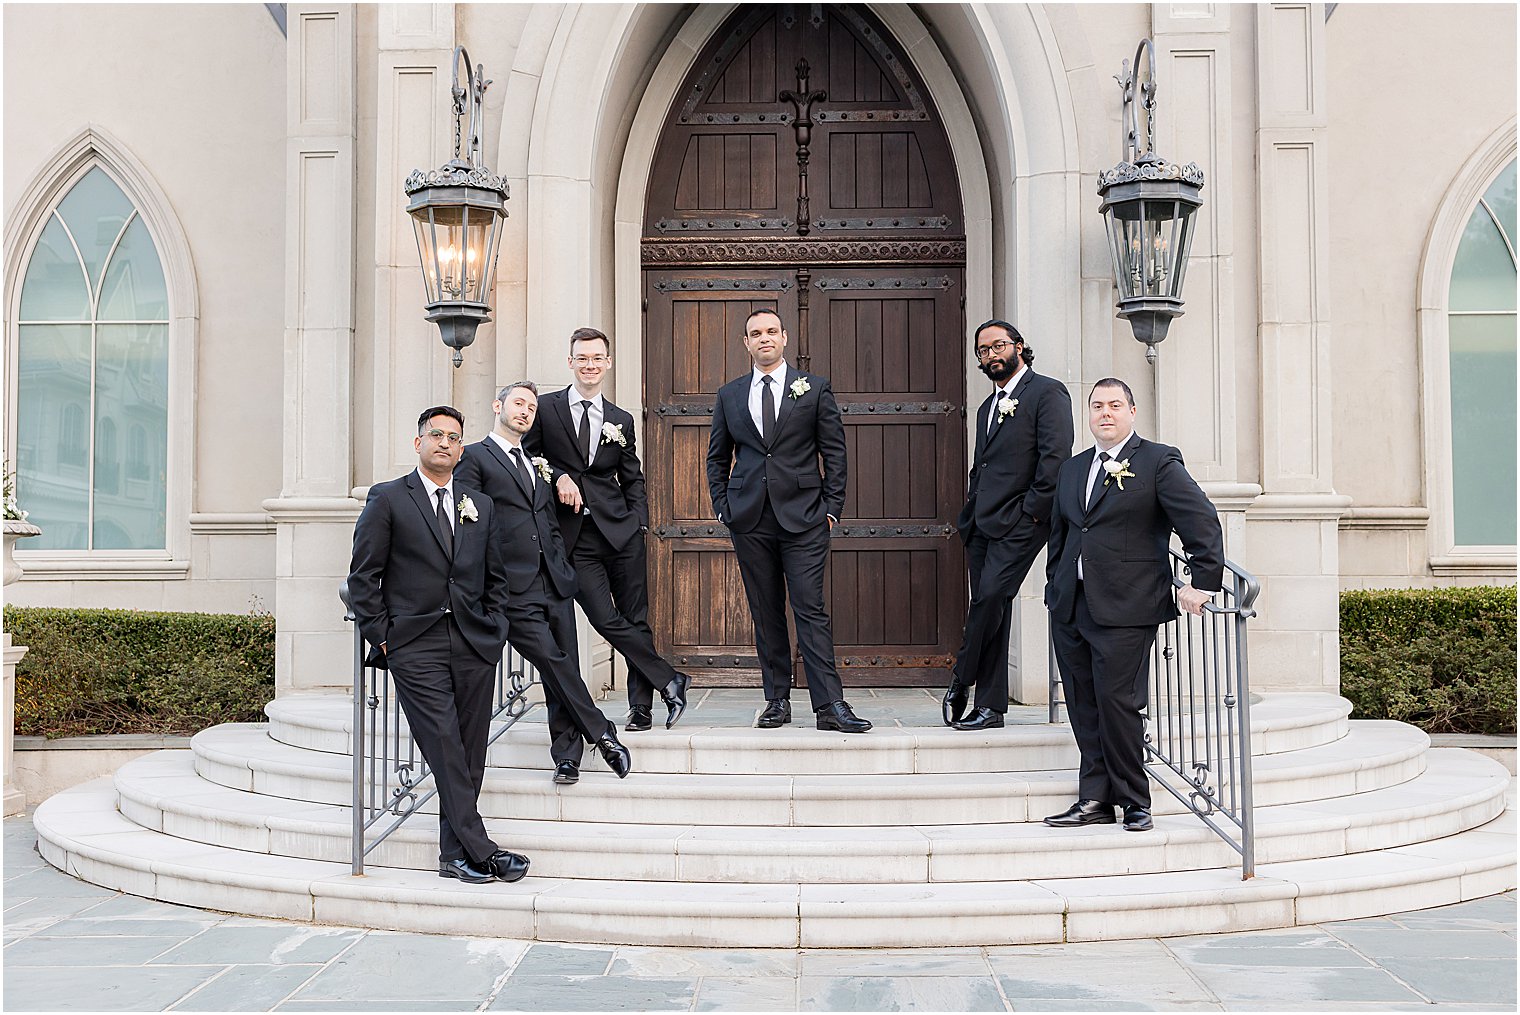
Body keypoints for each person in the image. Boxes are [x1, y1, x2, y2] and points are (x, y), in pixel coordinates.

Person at [347, 405, 530, 884]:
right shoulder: (387, 499)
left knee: (470, 750)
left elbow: (496, 577)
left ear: (462, 447)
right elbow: (363, 577)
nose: (445, 443)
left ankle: (454, 857)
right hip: (413, 643)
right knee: (444, 743)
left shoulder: (479, 505)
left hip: (473, 641)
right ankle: (483, 849)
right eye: (436, 435)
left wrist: (494, 628)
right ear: (418, 443)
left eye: (453, 437)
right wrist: (384, 638)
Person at [1043, 378, 1224, 832]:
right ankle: (1094, 799)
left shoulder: (1158, 461)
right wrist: (1055, 586)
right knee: (1083, 703)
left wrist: (1203, 582)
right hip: (1072, 604)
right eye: (1098, 405)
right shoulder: (1073, 468)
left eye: (1115, 405)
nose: (1106, 412)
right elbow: (1062, 535)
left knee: (1118, 702)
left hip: (1127, 606)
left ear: (1132, 411)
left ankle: (1133, 799)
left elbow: (1200, 520)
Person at [454, 382, 633, 787]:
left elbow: (547, 519)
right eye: (518, 403)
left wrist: (560, 561)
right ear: (497, 405)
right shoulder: (475, 458)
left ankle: (567, 756)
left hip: (554, 580)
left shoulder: (535, 461)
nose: (525, 412)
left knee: (563, 664)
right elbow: (471, 526)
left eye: (531, 408)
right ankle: (602, 733)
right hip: (512, 587)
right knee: (551, 660)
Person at [706, 308, 871, 733]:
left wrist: (832, 507)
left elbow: (835, 451)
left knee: (809, 608)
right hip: (749, 519)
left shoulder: (814, 389)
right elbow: (717, 457)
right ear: (746, 343)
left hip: (805, 518)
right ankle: (777, 700)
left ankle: (830, 706)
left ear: (784, 337)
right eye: (755, 333)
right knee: (766, 613)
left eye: (771, 332)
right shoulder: (729, 394)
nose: (764, 338)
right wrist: (724, 507)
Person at [523, 327, 691, 733]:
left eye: (597, 358)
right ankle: (670, 678)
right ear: (570, 362)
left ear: (608, 363)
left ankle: (641, 708)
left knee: (636, 618)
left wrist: (639, 523)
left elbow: (633, 477)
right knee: (604, 617)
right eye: (582, 358)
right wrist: (559, 476)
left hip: (621, 533)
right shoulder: (545, 409)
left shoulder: (620, 418)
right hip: (574, 538)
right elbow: (527, 456)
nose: (590, 365)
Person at [943, 320, 1073, 731]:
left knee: (989, 598)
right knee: (993, 605)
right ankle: (991, 706)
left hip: (1022, 521)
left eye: (998, 345)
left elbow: (1055, 458)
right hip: (981, 524)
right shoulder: (986, 407)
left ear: (1019, 346)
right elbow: (983, 466)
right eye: (983, 350)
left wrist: (1032, 512)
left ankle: (961, 678)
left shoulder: (1047, 392)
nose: (991, 355)